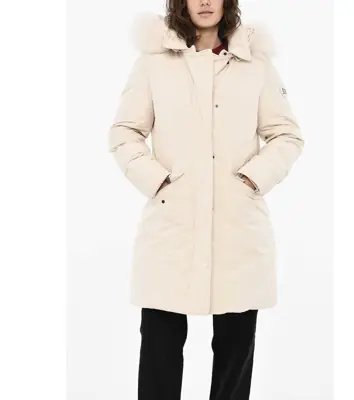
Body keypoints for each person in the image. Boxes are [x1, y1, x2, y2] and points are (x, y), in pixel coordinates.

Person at [108, 0, 304, 398]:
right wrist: (159, 181)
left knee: (235, 346)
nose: (204, 2)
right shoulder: (153, 63)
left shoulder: (256, 64)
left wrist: (251, 178)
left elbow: (286, 135)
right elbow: (125, 133)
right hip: (172, 226)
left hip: (238, 227)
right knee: (160, 345)